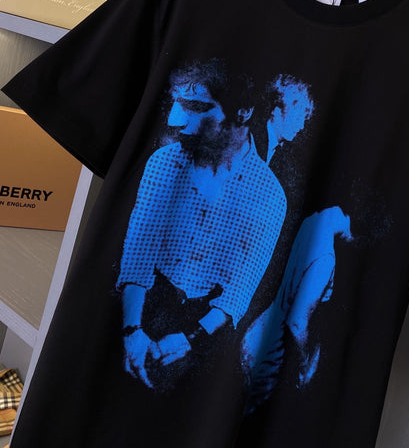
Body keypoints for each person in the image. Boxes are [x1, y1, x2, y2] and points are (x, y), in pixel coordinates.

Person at [116, 59, 287, 390]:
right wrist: (132, 329)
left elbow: (239, 291)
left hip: (208, 328)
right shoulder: (163, 163)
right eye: (177, 104)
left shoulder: (269, 195)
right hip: (144, 304)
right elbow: (138, 254)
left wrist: (190, 337)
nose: (175, 121)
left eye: (195, 107)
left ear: (243, 111)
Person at [241, 206, 353, 411]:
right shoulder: (325, 258)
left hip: (257, 333)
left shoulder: (309, 223)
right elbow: (297, 322)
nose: (351, 237)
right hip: (276, 352)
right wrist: (305, 362)